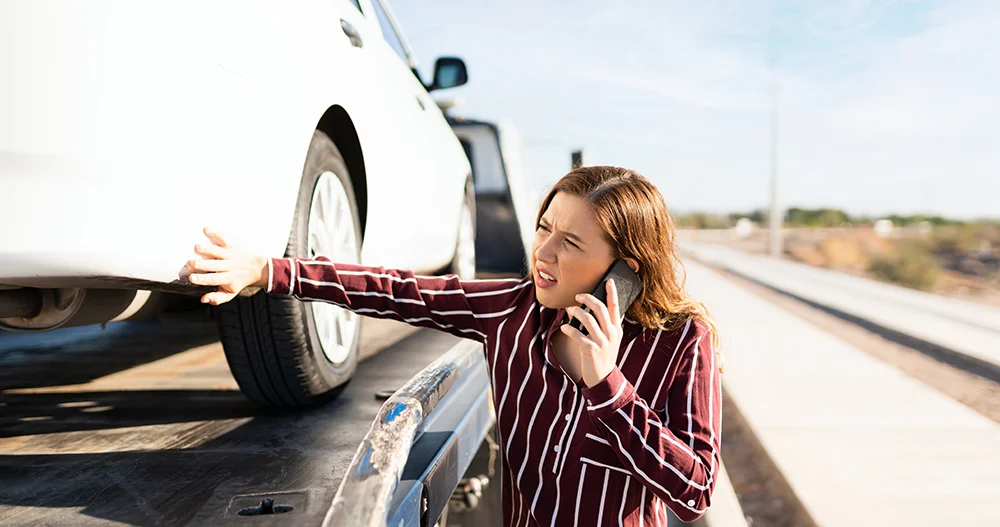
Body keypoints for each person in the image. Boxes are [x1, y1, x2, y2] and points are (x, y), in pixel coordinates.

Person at [183, 166, 722, 525]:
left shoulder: (681, 341)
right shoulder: (511, 311)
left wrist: (609, 388)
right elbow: (398, 290)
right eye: (544, 228)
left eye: (572, 242)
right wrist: (268, 271)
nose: (544, 252)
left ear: (625, 268)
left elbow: (695, 493)